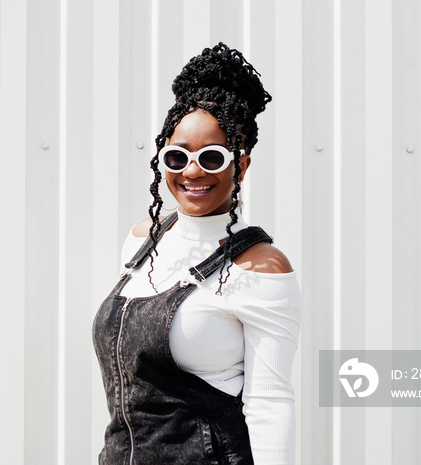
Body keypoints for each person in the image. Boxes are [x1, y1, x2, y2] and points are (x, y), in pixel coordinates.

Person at [93, 43, 301, 465]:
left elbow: (271, 404)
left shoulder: (260, 266)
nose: (192, 171)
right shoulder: (140, 242)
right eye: (178, 156)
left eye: (211, 157)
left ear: (240, 167)